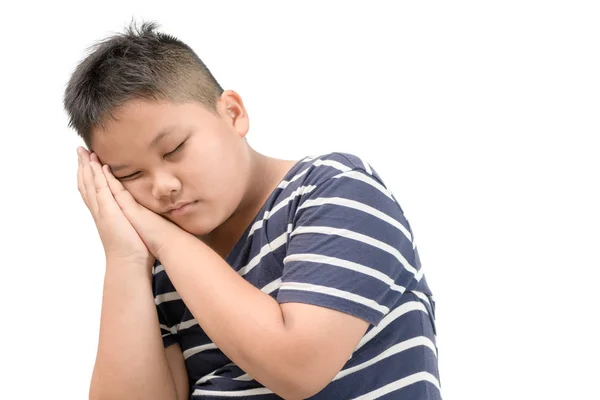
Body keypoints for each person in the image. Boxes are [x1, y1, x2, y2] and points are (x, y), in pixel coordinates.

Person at [64, 21, 441, 400]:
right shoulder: (159, 272)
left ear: (232, 113)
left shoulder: (335, 190)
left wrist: (162, 238)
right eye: (130, 175)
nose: (163, 186)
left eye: (175, 149)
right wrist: (126, 258)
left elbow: (298, 368)